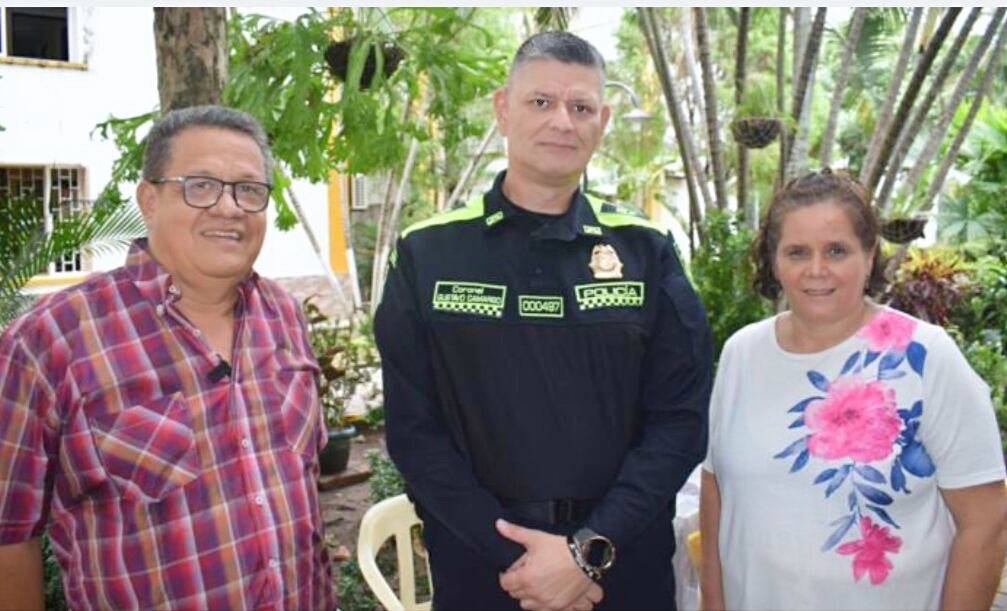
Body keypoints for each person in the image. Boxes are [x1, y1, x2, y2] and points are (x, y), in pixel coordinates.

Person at [374, 31, 713, 610]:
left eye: (580, 107)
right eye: (541, 102)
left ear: (601, 122)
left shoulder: (645, 249)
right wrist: (519, 559)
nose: (562, 121)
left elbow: (680, 420)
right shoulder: (429, 252)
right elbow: (413, 430)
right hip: (485, 573)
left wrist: (588, 551)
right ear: (503, 110)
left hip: (620, 570)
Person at [0, 105, 337, 610]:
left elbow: (302, 497)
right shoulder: (52, 339)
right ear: (150, 200)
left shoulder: (284, 317)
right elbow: (10, 536)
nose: (230, 208)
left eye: (249, 189)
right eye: (200, 185)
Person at [699, 169, 1007, 610]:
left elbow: (987, 521)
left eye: (837, 250)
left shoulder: (926, 357)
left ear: (869, 256)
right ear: (773, 261)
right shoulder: (741, 353)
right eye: (797, 252)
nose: (816, 270)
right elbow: (716, 489)